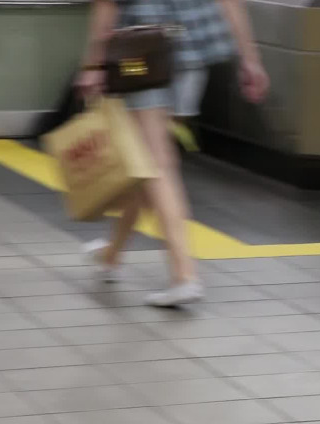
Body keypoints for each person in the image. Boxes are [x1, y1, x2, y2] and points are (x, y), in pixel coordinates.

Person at [77, 0, 269, 306]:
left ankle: (184, 275)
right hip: (191, 54)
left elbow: (107, 3)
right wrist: (250, 58)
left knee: (156, 164)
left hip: (141, 53)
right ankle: (112, 254)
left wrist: (93, 64)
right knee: (151, 159)